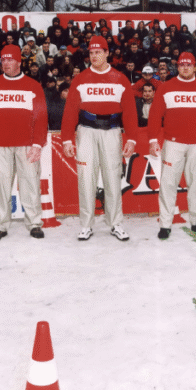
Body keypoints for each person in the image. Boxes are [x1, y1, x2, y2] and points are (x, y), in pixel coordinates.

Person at [61, 35, 139, 242]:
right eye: (91, 52)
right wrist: (67, 139)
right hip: (87, 131)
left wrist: (131, 138)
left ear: (107, 53)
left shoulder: (120, 79)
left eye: (98, 52)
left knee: (113, 177)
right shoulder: (80, 79)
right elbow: (70, 112)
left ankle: (115, 223)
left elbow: (130, 112)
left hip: (111, 131)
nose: (94, 56)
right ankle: (86, 224)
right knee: (86, 178)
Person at [147, 52, 196, 240]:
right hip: (173, 143)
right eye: (182, 65)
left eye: (188, 65)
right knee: (168, 184)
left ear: (194, 67)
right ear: (177, 67)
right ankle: (165, 224)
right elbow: (155, 115)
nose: (185, 68)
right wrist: (152, 140)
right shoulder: (166, 88)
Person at [0, 45, 49, 242]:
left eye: (10, 60)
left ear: (19, 62)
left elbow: (41, 118)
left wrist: (37, 144)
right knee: (0, 186)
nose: (6, 63)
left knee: (30, 184)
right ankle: (0, 225)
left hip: (27, 145)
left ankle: (34, 223)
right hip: (0, 145)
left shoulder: (33, 86)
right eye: (3, 60)